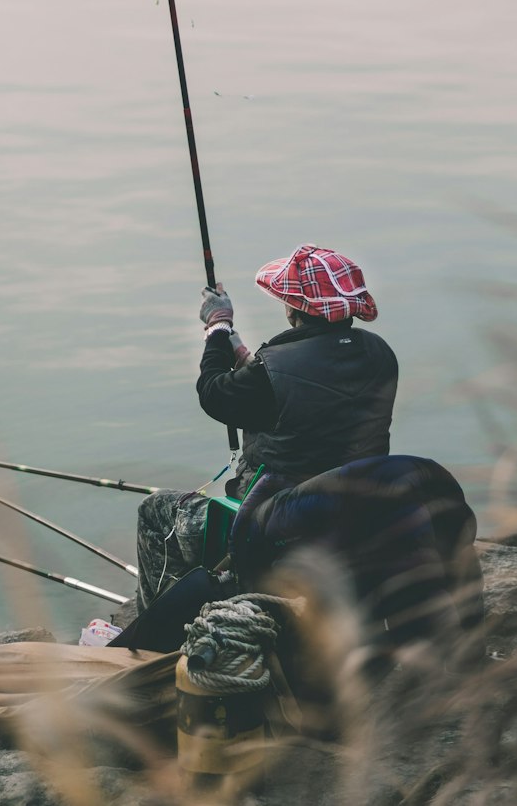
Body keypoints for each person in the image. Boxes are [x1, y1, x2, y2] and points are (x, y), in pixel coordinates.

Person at [134, 243, 398, 612]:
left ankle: (160, 629)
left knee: (156, 511)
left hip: (277, 523)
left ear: (296, 308)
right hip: (353, 510)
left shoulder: (274, 370)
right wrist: (244, 355)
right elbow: (310, 393)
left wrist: (217, 328)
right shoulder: (379, 353)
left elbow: (215, 395)